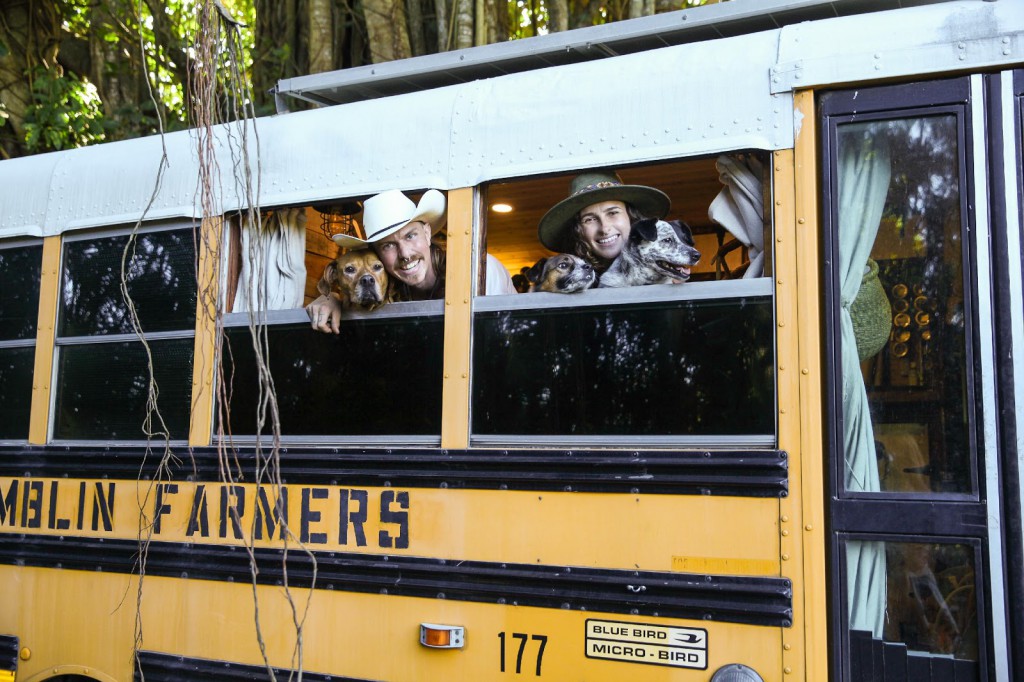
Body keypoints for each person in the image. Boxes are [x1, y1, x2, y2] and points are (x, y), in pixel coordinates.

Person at [307, 188, 516, 333]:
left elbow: (496, 336)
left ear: (427, 232)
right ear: (378, 255)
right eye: (388, 245)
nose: (405, 254)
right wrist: (330, 298)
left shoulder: (478, 270)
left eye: (410, 236)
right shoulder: (390, 286)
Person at [537, 170, 671, 275]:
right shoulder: (569, 281)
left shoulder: (667, 272)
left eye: (612, 213)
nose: (604, 228)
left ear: (631, 217)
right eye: (589, 219)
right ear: (579, 231)